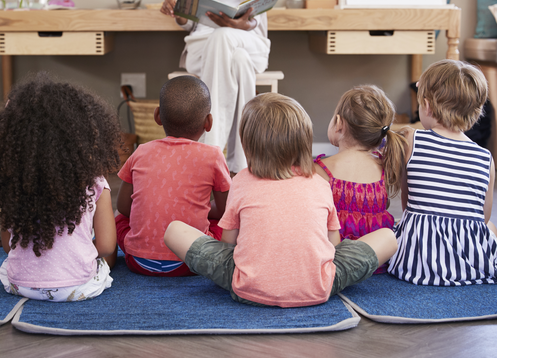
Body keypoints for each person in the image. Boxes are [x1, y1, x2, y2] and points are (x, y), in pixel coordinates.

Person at [164, 93, 397, 307]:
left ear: (247, 145)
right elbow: (334, 248)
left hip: (247, 288)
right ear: (304, 143)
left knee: (174, 230)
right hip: (319, 288)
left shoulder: (242, 180)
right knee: (388, 236)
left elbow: (228, 245)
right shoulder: (319, 182)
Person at [0, 75, 121, 302]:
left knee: (9, 265)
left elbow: (9, 247)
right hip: (79, 288)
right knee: (104, 256)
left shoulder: (11, 181)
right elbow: (106, 246)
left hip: (20, 286)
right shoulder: (95, 182)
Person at [160, 0, 284, 175]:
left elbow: (255, 14)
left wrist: (239, 25)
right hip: (201, 45)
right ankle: (243, 165)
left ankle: (208, 157)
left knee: (224, 36)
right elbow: (188, 21)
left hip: (250, 40)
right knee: (236, 58)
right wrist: (178, 11)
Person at [388, 60, 497, 286]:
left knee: (396, 225)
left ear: (426, 106)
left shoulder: (412, 139)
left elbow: (408, 204)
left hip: (418, 262)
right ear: (477, 112)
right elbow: (482, 217)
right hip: (469, 265)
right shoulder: (486, 158)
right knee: (492, 227)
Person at [115, 76, 232, 276]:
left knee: (118, 220)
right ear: (208, 122)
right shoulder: (213, 156)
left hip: (138, 261)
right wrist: (199, 210)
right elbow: (226, 211)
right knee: (223, 225)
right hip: (190, 261)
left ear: (157, 116)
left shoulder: (141, 152)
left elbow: (124, 208)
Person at [314, 85, 408, 274]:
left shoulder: (319, 169)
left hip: (334, 253)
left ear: (338, 123)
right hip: (374, 255)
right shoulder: (385, 165)